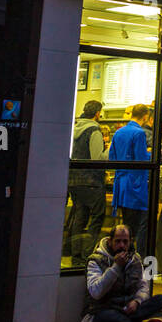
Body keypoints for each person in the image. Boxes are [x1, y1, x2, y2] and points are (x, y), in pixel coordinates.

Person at [80, 224, 162, 322]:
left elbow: (143, 286)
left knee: (160, 300)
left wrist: (137, 301)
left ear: (130, 242)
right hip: (102, 309)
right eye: (118, 241)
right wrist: (116, 267)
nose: (122, 245)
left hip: (127, 309)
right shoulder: (95, 260)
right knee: (111, 317)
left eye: (125, 242)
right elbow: (96, 292)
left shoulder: (135, 259)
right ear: (110, 241)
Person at [64, 100, 107, 265]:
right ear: (97, 113)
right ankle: (87, 254)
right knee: (97, 216)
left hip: (74, 181)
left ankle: (75, 256)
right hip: (91, 182)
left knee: (79, 217)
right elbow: (97, 159)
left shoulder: (74, 128)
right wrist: (110, 150)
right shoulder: (94, 130)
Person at [110, 104, 153, 254]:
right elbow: (141, 160)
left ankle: (123, 255)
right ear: (146, 116)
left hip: (120, 184)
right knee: (142, 224)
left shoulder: (118, 132)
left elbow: (112, 158)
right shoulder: (139, 133)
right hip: (135, 184)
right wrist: (150, 154)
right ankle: (138, 258)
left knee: (127, 223)